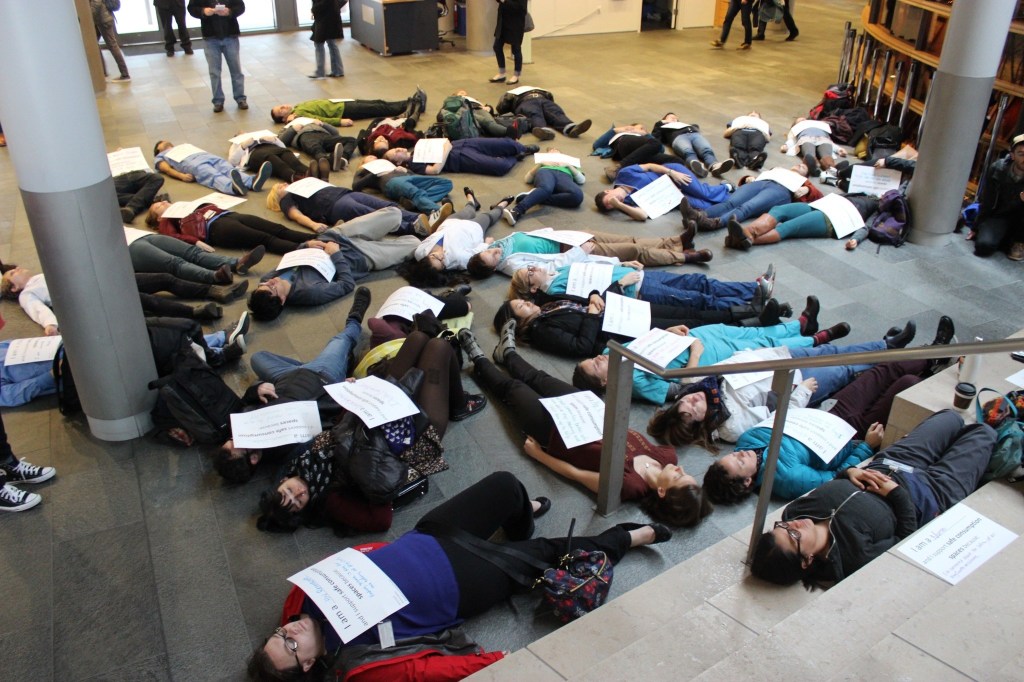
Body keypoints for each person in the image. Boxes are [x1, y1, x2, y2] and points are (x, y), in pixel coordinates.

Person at [247, 471, 671, 679]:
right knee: (545, 555)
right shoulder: (358, 666)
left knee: (506, 486)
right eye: (290, 642)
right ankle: (626, 538)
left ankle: (520, 523)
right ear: (306, 664)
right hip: (461, 583)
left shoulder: (298, 605)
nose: (289, 629)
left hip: (426, 538)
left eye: (279, 632)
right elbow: (422, 673)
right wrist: (494, 662)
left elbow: (345, 561)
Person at [460, 329, 713, 527]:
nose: (679, 468)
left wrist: (540, 455)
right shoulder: (668, 456)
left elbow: (576, 474)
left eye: (678, 476)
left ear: (661, 491)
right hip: (588, 411)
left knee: (514, 390)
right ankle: (508, 353)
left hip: (557, 433)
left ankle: (478, 359)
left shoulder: (629, 486)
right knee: (541, 379)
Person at [255, 331, 487, 532]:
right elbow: (381, 521)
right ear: (303, 511)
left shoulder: (302, 460)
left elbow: (339, 428)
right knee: (439, 346)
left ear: (283, 481)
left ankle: (456, 404)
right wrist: (366, 470)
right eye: (297, 503)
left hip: (380, 411)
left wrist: (351, 395)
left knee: (417, 339)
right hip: (410, 438)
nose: (298, 493)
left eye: (288, 492)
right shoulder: (331, 501)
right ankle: (458, 406)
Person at [750, 410, 996, 588]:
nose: (791, 525)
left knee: (951, 417)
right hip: (930, 494)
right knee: (984, 432)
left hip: (893, 462)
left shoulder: (794, 512)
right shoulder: (853, 558)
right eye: (793, 536)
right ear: (806, 561)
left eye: (780, 528)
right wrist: (894, 494)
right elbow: (906, 536)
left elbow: (834, 482)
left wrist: (850, 472)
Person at [649, 314, 955, 448]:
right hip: (797, 380)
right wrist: (801, 394)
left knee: (834, 351)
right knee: (844, 367)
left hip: (775, 356)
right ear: (701, 424)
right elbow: (773, 414)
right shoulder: (730, 427)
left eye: (682, 403)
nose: (690, 400)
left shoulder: (697, 385)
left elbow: (694, 375)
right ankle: (897, 351)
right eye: (690, 411)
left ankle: (885, 346)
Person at [702, 357, 955, 504]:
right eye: (738, 460)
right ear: (747, 481)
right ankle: (933, 373)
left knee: (883, 370)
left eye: (733, 454)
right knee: (906, 385)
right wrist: (867, 446)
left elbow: (779, 415)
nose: (740, 453)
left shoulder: (747, 441)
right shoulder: (785, 480)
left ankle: (935, 355)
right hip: (851, 434)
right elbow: (836, 476)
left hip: (830, 411)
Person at [215, 289, 372, 483]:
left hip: (285, 378)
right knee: (341, 340)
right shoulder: (287, 450)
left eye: (230, 440)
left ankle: (328, 361)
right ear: (253, 458)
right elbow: (327, 423)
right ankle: (354, 319)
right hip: (321, 378)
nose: (235, 436)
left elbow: (246, 403)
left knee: (258, 358)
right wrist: (342, 391)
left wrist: (256, 390)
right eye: (236, 443)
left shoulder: (240, 428)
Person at [248, 207, 420, 321]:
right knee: (414, 245)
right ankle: (403, 232)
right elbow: (347, 284)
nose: (270, 282)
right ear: (282, 300)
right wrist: (336, 255)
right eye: (272, 288)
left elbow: (291, 257)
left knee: (394, 213)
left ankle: (389, 231)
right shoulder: (310, 293)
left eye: (264, 285)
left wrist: (305, 245)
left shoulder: (266, 278)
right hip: (358, 257)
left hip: (335, 236)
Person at [492, 294, 786, 359]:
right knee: (692, 324)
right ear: (518, 323)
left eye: (523, 300)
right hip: (620, 330)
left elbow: (581, 300)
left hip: (622, 311)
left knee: (686, 309)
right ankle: (757, 322)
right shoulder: (542, 332)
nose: (528, 303)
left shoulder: (547, 305)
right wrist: (594, 314)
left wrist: (594, 297)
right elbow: (581, 347)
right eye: (521, 307)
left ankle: (751, 309)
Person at [0, 267, 242, 333]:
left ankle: (213, 291)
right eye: (13, 273)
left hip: (106, 276)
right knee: (146, 301)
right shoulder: (26, 294)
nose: (18, 269)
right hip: (96, 294)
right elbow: (37, 310)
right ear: (13, 288)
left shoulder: (42, 274)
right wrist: (50, 325)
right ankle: (197, 313)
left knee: (163, 278)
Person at [509, 260, 770, 312]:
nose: (535, 268)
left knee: (698, 281)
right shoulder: (556, 293)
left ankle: (754, 287)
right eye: (529, 273)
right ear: (533, 289)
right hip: (637, 291)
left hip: (640, 276)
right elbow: (595, 303)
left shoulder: (560, 269)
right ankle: (750, 306)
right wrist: (621, 284)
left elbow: (595, 268)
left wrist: (621, 264)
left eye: (530, 266)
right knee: (697, 299)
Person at [468, 225, 710, 279]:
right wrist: (580, 251)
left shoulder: (487, 248)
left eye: (489, 251)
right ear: (491, 268)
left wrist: (487, 244)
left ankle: (675, 241)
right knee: (633, 250)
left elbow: (470, 251)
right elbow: (550, 268)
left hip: (567, 236)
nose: (495, 251)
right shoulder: (512, 267)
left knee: (628, 237)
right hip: (576, 249)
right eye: (492, 257)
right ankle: (685, 256)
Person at [266, 181, 429, 236]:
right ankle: (412, 229)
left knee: (386, 206)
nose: (283, 184)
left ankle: (417, 218)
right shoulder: (286, 199)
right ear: (276, 197)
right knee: (376, 216)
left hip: (344, 194)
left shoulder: (299, 186)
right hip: (334, 206)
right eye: (279, 187)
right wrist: (313, 225)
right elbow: (296, 215)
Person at [147, 200, 310, 255]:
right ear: (158, 217)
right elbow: (174, 237)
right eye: (157, 206)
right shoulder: (165, 221)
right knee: (265, 239)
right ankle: (305, 249)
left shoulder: (181, 206)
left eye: (162, 201)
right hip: (215, 228)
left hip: (227, 215)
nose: (163, 203)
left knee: (277, 228)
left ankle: (315, 239)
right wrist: (194, 241)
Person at [724, 194, 880, 250]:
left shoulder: (879, 208)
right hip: (823, 206)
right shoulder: (859, 192)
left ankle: (742, 240)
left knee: (789, 228)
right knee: (779, 210)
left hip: (835, 220)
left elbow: (867, 227)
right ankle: (747, 233)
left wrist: (856, 239)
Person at [691, 164, 820, 231]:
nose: (799, 166)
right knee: (730, 202)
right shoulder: (778, 169)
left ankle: (716, 223)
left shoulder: (804, 181)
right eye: (799, 164)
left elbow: (818, 195)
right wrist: (748, 178)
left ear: (806, 175)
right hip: (760, 182)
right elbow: (757, 177)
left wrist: (807, 189)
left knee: (747, 207)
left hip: (780, 190)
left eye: (803, 167)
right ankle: (699, 216)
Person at [596, 162, 732, 221]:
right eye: (612, 206)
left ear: (608, 191)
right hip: (672, 195)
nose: (615, 202)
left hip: (671, 174)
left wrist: (672, 172)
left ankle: (725, 187)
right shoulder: (628, 203)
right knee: (706, 207)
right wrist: (619, 205)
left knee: (704, 193)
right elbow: (642, 216)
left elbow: (649, 166)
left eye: (611, 200)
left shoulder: (624, 174)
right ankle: (735, 197)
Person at [153, 141, 272, 198]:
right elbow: (166, 169)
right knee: (212, 175)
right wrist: (181, 176)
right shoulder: (161, 155)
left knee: (227, 168)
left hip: (208, 156)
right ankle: (232, 188)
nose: (165, 141)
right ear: (158, 150)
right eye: (162, 143)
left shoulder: (182, 145)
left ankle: (251, 182)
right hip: (192, 163)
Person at [187, 0, 246, 113]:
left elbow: (241, 6)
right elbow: (192, 8)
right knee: (214, 72)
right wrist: (203, 11)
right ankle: (218, 101)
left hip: (230, 35)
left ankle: (240, 98)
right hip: (210, 37)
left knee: (236, 70)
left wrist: (229, 11)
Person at [502, 147, 586, 224]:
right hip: (546, 172)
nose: (553, 151)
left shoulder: (569, 163)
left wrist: (568, 165)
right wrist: (541, 164)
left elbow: (582, 180)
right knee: (546, 188)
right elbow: (527, 179)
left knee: (577, 196)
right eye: (550, 151)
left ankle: (534, 196)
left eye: (556, 150)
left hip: (564, 176)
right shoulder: (543, 163)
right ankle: (516, 211)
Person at [973, 133, 1024, 260]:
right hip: (1000, 216)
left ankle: (1018, 242)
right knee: (983, 247)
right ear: (1012, 155)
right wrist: (976, 226)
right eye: (1022, 154)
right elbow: (987, 201)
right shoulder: (998, 169)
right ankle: (1006, 239)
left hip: (1022, 220)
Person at [384, 138, 538, 177]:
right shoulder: (413, 164)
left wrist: (445, 144)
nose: (399, 148)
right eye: (395, 152)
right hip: (459, 158)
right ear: (398, 161)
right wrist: (445, 149)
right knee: (499, 167)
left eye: (396, 148)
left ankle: (522, 148)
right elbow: (435, 170)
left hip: (463, 143)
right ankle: (517, 156)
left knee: (505, 143)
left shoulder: (418, 145)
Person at [352, 157, 454, 214]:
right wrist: (372, 174)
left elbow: (412, 174)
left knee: (446, 183)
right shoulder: (364, 170)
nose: (374, 157)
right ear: (363, 162)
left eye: (375, 157)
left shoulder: (387, 163)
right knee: (416, 193)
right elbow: (355, 186)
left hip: (407, 177)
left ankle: (414, 203)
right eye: (370, 157)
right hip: (391, 181)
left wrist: (406, 170)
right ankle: (439, 212)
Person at [652, 114, 734, 178]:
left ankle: (715, 166)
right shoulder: (663, 128)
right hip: (678, 138)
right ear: (664, 119)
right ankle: (697, 166)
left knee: (706, 150)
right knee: (687, 151)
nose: (673, 118)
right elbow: (655, 137)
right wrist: (660, 123)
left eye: (675, 117)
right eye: (670, 117)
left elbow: (696, 126)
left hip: (694, 135)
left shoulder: (685, 125)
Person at [495, 87, 592, 141]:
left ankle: (570, 128)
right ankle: (561, 128)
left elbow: (501, 108)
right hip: (536, 99)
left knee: (543, 112)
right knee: (550, 112)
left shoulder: (511, 92)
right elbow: (551, 98)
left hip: (528, 101)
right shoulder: (541, 89)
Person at [271, 92, 424, 126]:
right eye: (281, 110)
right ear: (284, 118)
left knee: (376, 103)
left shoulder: (297, 107)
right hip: (342, 111)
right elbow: (320, 119)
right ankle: (411, 103)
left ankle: (409, 102)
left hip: (341, 103)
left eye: (281, 105)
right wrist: (340, 121)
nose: (284, 106)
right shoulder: (298, 114)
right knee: (377, 108)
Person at [277, 119, 357, 179]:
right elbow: (281, 141)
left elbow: (335, 132)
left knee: (351, 140)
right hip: (305, 136)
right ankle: (328, 161)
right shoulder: (286, 128)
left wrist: (322, 124)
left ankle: (343, 158)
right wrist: (292, 129)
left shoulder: (311, 120)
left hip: (324, 135)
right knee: (315, 148)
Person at [592, 124, 673, 180]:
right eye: (640, 127)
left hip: (637, 156)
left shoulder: (646, 138)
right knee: (656, 143)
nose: (642, 130)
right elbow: (597, 145)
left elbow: (661, 149)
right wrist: (618, 130)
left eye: (644, 129)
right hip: (625, 144)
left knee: (675, 160)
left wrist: (646, 134)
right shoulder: (624, 134)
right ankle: (618, 167)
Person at [227, 132, 310, 183]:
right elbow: (232, 161)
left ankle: (310, 172)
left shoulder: (259, 135)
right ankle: (294, 177)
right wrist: (243, 146)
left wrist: (274, 140)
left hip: (273, 148)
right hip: (255, 153)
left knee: (290, 157)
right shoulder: (236, 144)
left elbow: (283, 148)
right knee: (276, 162)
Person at [780, 118, 847, 179]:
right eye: (800, 121)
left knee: (826, 154)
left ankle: (832, 168)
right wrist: (786, 146)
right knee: (809, 153)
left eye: (805, 119)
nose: (804, 121)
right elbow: (792, 139)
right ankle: (814, 166)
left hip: (823, 138)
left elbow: (831, 141)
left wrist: (839, 149)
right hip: (806, 138)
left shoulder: (820, 127)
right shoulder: (796, 129)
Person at [90, 0, 131, 82]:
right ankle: (103, 72)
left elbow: (96, 3)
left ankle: (124, 74)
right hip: (103, 18)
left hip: (103, 20)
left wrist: (87, 16)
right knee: (95, 44)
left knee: (112, 46)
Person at [490, 0, 528, 85]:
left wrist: (505, 1)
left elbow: (521, 9)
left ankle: (516, 75)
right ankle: (502, 73)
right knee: (497, 46)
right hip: (503, 22)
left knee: (516, 49)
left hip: (515, 24)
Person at [309, 0, 344, 79]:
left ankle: (321, 72)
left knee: (319, 43)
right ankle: (337, 70)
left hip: (325, 20)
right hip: (329, 18)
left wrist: (314, 10)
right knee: (331, 44)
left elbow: (323, 3)